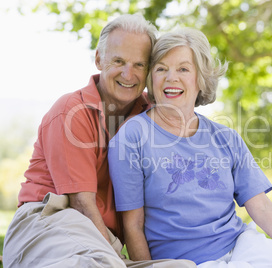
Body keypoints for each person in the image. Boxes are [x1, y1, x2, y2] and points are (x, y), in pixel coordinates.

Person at [108, 28, 272, 268]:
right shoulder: (132, 136)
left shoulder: (225, 137)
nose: (171, 78)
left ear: (201, 78)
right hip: (185, 261)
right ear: (151, 79)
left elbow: (260, 206)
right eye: (161, 68)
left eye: (183, 69)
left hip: (239, 246)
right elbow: (133, 225)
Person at [3, 13, 196, 268]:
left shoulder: (152, 113)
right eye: (119, 61)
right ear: (99, 59)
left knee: (181, 267)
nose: (129, 74)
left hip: (100, 241)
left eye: (139, 65)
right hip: (47, 224)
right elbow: (82, 204)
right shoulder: (71, 112)